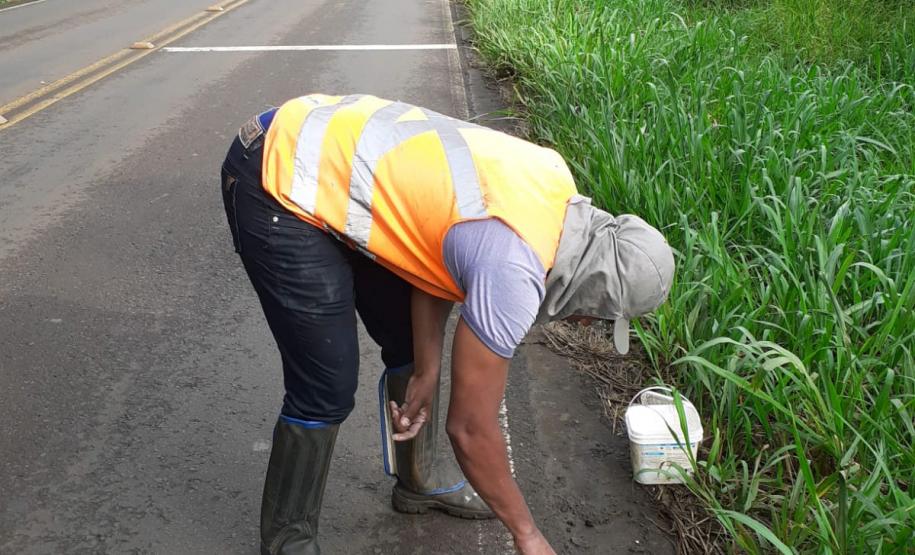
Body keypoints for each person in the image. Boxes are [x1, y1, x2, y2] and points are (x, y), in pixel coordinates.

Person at [220, 94, 675, 555]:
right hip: (278, 170)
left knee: (414, 351)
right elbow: (472, 430)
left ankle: (417, 481)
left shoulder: (556, 191)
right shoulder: (515, 270)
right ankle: (288, 541)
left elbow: (438, 252)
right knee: (326, 385)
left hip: (336, 159)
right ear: (592, 289)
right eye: (596, 315)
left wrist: (427, 368)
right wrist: (527, 534)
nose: (584, 323)